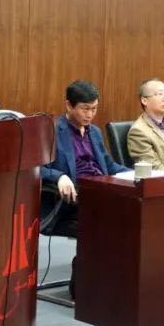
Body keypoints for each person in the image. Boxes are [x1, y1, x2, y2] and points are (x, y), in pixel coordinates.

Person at [40, 80, 130, 237]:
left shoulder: (94, 132)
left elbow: (110, 166)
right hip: (74, 197)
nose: (90, 114)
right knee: (117, 218)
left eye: (94, 109)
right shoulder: (51, 131)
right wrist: (59, 176)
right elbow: (34, 169)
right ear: (69, 106)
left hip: (101, 190)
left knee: (135, 209)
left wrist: (137, 173)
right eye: (85, 109)